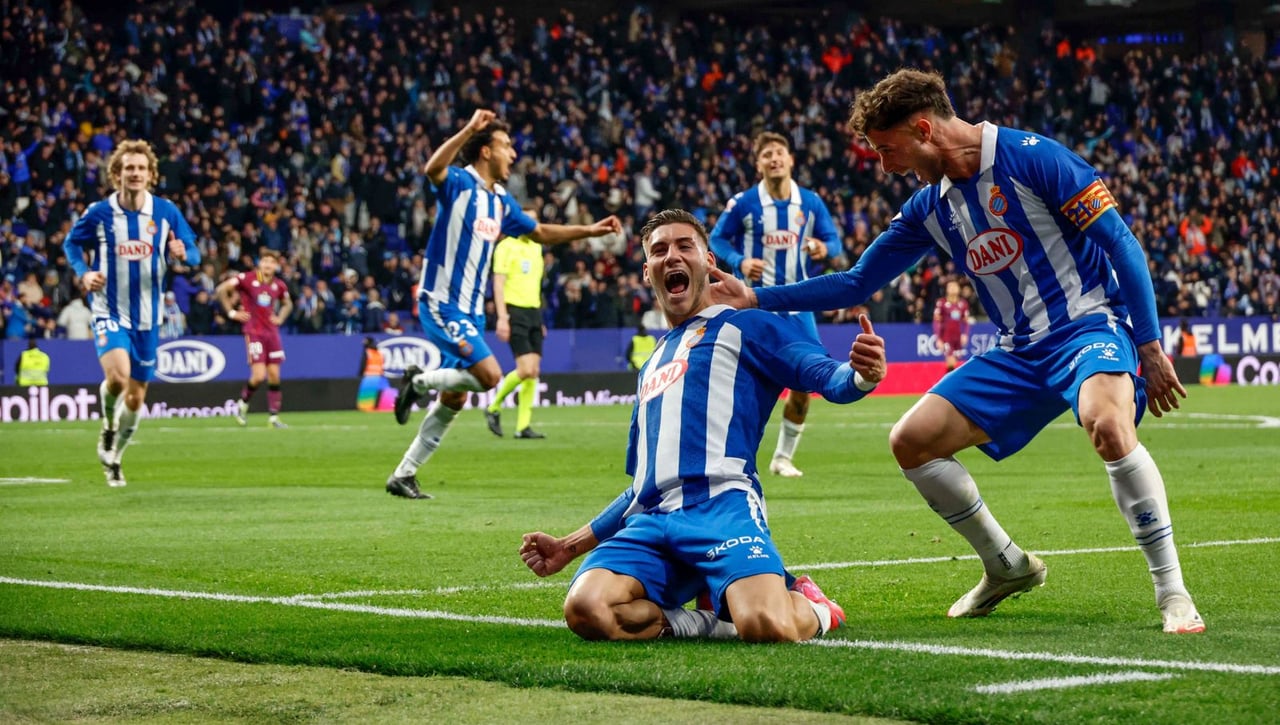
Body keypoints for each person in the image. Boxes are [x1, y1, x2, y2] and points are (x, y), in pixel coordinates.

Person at [708, 68, 1203, 634]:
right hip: (1017, 351)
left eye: (888, 150)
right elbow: (857, 282)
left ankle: (1173, 592)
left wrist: (1150, 346)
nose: (886, 166)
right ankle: (1006, 565)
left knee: (1108, 425)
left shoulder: (1035, 158)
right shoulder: (928, 206)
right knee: (910, 441)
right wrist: (755, 296)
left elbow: (1122, 243)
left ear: (923, 129)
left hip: (1087, 327)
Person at [519, 209, 887, 642]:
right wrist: (569, 547)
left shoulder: (747, 325)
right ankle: (714, 618)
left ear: (708, 261)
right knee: (587, 610)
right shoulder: (652, 362)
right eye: (659, 250)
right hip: (654, 522)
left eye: (684, 246)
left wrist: (860, 375)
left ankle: (815, 606)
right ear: (648, 272)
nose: (672, 256)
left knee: (769, 626)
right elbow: (642, 485)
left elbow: (824, 375)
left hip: (723, 507)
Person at [387, 110, 622, 499]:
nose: (513, 154)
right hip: (442, 302)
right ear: (485, 151)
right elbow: (432, 169)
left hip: (471, 312)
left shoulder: (500, 202)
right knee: (491, 376)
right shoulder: (460, 183)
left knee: (455, 396)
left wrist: (590, 230)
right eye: (506, 146)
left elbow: (540, 231)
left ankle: (404, 474)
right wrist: (469, 129)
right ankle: (417, 382)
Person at [63, 139, 200, 487]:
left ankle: (116, 459)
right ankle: (109, 425)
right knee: (118, 378)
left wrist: (184, 254)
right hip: (109, 309)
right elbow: (71, 243)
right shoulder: (100, 213)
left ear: (151, 174)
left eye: (141, 168)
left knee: (136, 398)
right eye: (129, 168)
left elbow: (194, 252)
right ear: (117, 174)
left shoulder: (166, 211)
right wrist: (84, 273)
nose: (135, 173)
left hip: (149, 318)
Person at [709, 131, 841, 479]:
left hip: (798, 307)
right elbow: (717, 239)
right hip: (754, 306)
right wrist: (739, 260)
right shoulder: (744, 203)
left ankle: (782, 457)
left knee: (804, 384)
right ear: (758, 165)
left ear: (791, 160)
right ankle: (727, 458)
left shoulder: (810, 202)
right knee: (739, 384)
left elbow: (834, 242)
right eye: (767, 154)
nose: (774, 159)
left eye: (779, 152)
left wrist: (822, 248)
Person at [483, 207, 547, 439]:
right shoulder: (505, 246)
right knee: (525, 369)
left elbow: (535, 285)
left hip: (533, 312)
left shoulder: (537, 248)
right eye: (527, 220)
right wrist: (502, 317)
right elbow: (498, 284)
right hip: (515, 311)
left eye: (534, 220)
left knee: (534, 372)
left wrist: (539, 318)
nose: (531, 225)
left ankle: (523, 427)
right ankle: (493, 407)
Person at [217, 249, 293, 428]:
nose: (268, 265)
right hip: (254, 333)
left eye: (271, 262)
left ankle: (273, 418)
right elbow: (221, 290)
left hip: (272, 333)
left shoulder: (279, 285)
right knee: (259, 376)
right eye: (265, 261)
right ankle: (242, 404)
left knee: (274, 375)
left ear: (276, 266)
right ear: (260, 263)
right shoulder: (247, 278)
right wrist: (231, 313)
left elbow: (288, 303)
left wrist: (280, 317)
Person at [933, 279, 971, 371]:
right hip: (946, 336)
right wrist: (938, 338)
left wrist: (965, 334)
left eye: (955, 286)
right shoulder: (941, 303)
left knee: (958, 361)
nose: (953, 288)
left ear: (959, 289)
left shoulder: (963, 304)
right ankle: (949, 377)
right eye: (950, 286)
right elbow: (936, 321)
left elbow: (966, 321)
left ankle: (955, 378)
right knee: (950, 362)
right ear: (946, 289)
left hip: (958, 336)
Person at [356, 336, 390, 412]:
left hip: (370, 376)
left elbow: (363, 363)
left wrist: (360, 373)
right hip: (380, 375)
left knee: (367, 394)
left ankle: (366, 407)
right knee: (386, 392)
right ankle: (388, 405)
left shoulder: (368, 352)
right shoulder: (379, 352)